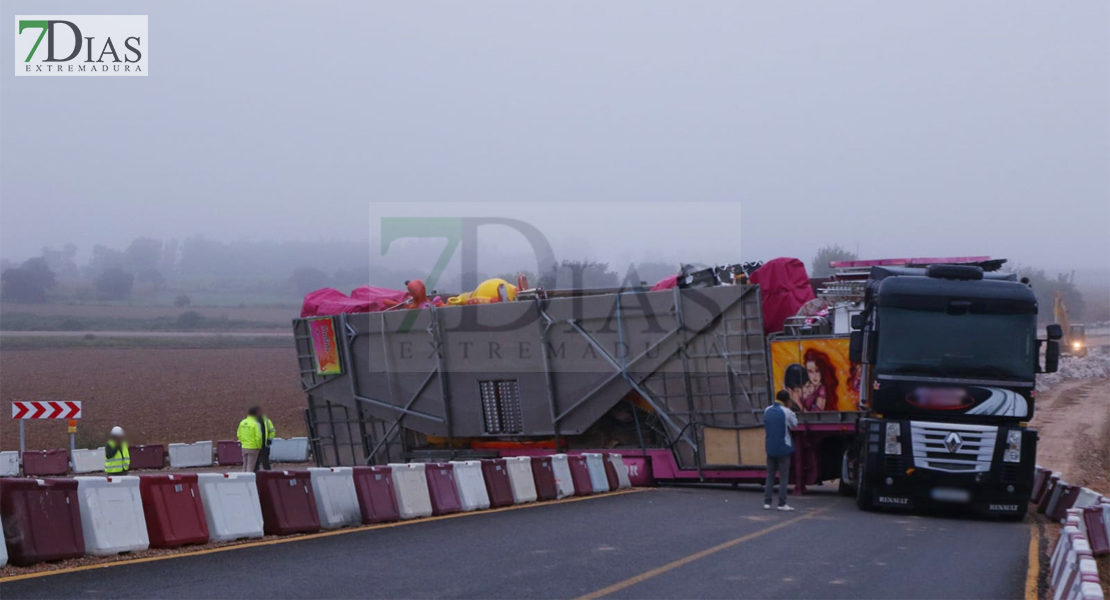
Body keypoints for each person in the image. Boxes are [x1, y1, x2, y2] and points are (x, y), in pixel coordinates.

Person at [763, 390, 798, 511]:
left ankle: (767, 502)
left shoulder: (767, 410)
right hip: (783, 447)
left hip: (770, 446)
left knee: (770, 475)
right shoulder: (787, 412)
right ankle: (782, 503)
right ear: (787, 400)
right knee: (783, 476)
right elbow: (794, 425)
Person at [237, 406, 266, 472]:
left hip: (244, 447)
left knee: (244, 466)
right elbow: (259, 437)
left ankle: (242, 479)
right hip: (253, 447)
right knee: (250, 466)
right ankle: (248, 481)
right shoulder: (255, 424)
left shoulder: (242, 423)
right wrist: (258, 446)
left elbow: (239, 434)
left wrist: (243, 442)